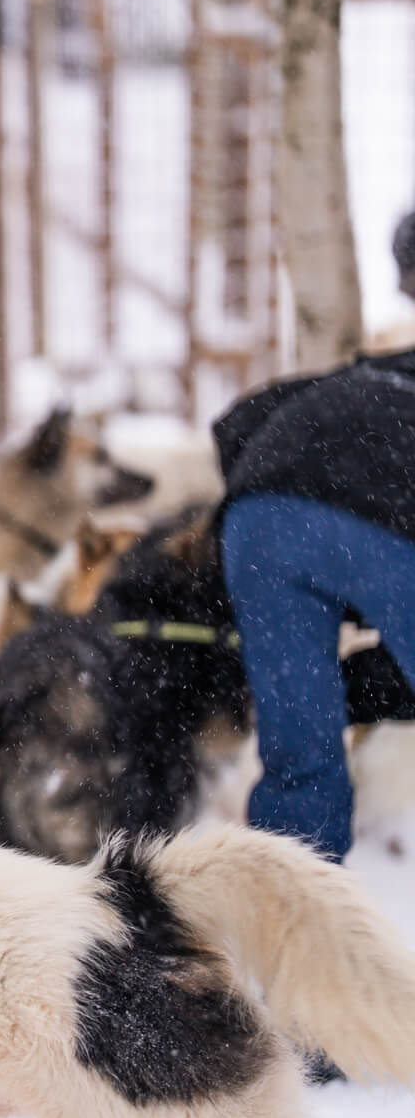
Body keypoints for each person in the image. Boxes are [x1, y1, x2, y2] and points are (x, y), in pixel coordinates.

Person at [213, 344, 415, 860]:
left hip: (259, 510)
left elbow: (235, 422)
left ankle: (292, 916)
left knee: (300, 760)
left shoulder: (365, 375)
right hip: (384, 514)